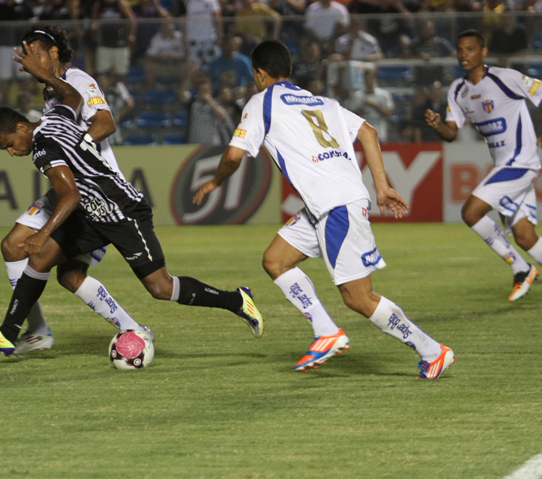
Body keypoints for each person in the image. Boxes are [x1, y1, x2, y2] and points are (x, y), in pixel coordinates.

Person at [0, 41, 263, 356]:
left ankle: (236, 300)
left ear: (22, 127)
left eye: (10, 144)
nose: (12, 152)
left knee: (160, 288)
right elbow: (72, 97)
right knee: (42, 261)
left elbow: (70, 196)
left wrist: (44, 232)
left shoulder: (42, 150)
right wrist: (45, 75)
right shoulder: (55, 118)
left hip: (123, 211)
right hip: (94, 215)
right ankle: (8, 332)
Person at [193, 40, 453, 378]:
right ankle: (325, 330)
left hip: (335, 206)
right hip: (326, 205)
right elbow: (369, 132)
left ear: (259, 73)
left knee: (359, 298)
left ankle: (432, 351)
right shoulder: (323, 102)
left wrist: (215, 182)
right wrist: (381, 185)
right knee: (275, 260)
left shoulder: (262, 102)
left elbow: (232, 156)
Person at [0, 25, 153, 355]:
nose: (30, 62)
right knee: (13, 245)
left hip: (95, 189)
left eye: (35, 54)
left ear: (53, 54)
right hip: (67, 187)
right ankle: (37, 331)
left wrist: (79, 150)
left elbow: (106, 123)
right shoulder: (52, 92)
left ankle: (133, 330)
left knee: (71, 275)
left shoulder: (79, 81)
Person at [425, 29, 542, 306]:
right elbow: (451, 133)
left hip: (521, 163)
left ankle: (520, 268)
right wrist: (438, 125)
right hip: (504, 165)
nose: (464, 55)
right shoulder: (457, 90)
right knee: (525, 236)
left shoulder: (504, 78)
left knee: (471, 211)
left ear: (483, 52)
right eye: (460, 50)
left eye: (470, 49)